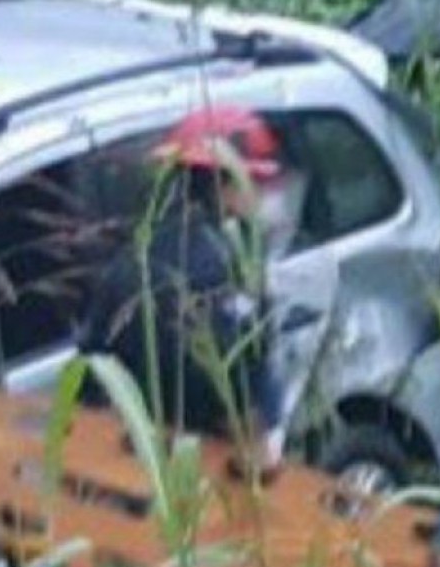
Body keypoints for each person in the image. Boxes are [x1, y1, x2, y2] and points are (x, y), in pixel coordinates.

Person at [80, 104, 301, 477]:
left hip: (131, 459)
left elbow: (92, 361)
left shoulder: (132, 255)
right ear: (228, 184)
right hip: (207, 470)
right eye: (256, 182)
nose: (262, 194)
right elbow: (247, 390)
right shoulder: (226, 269)